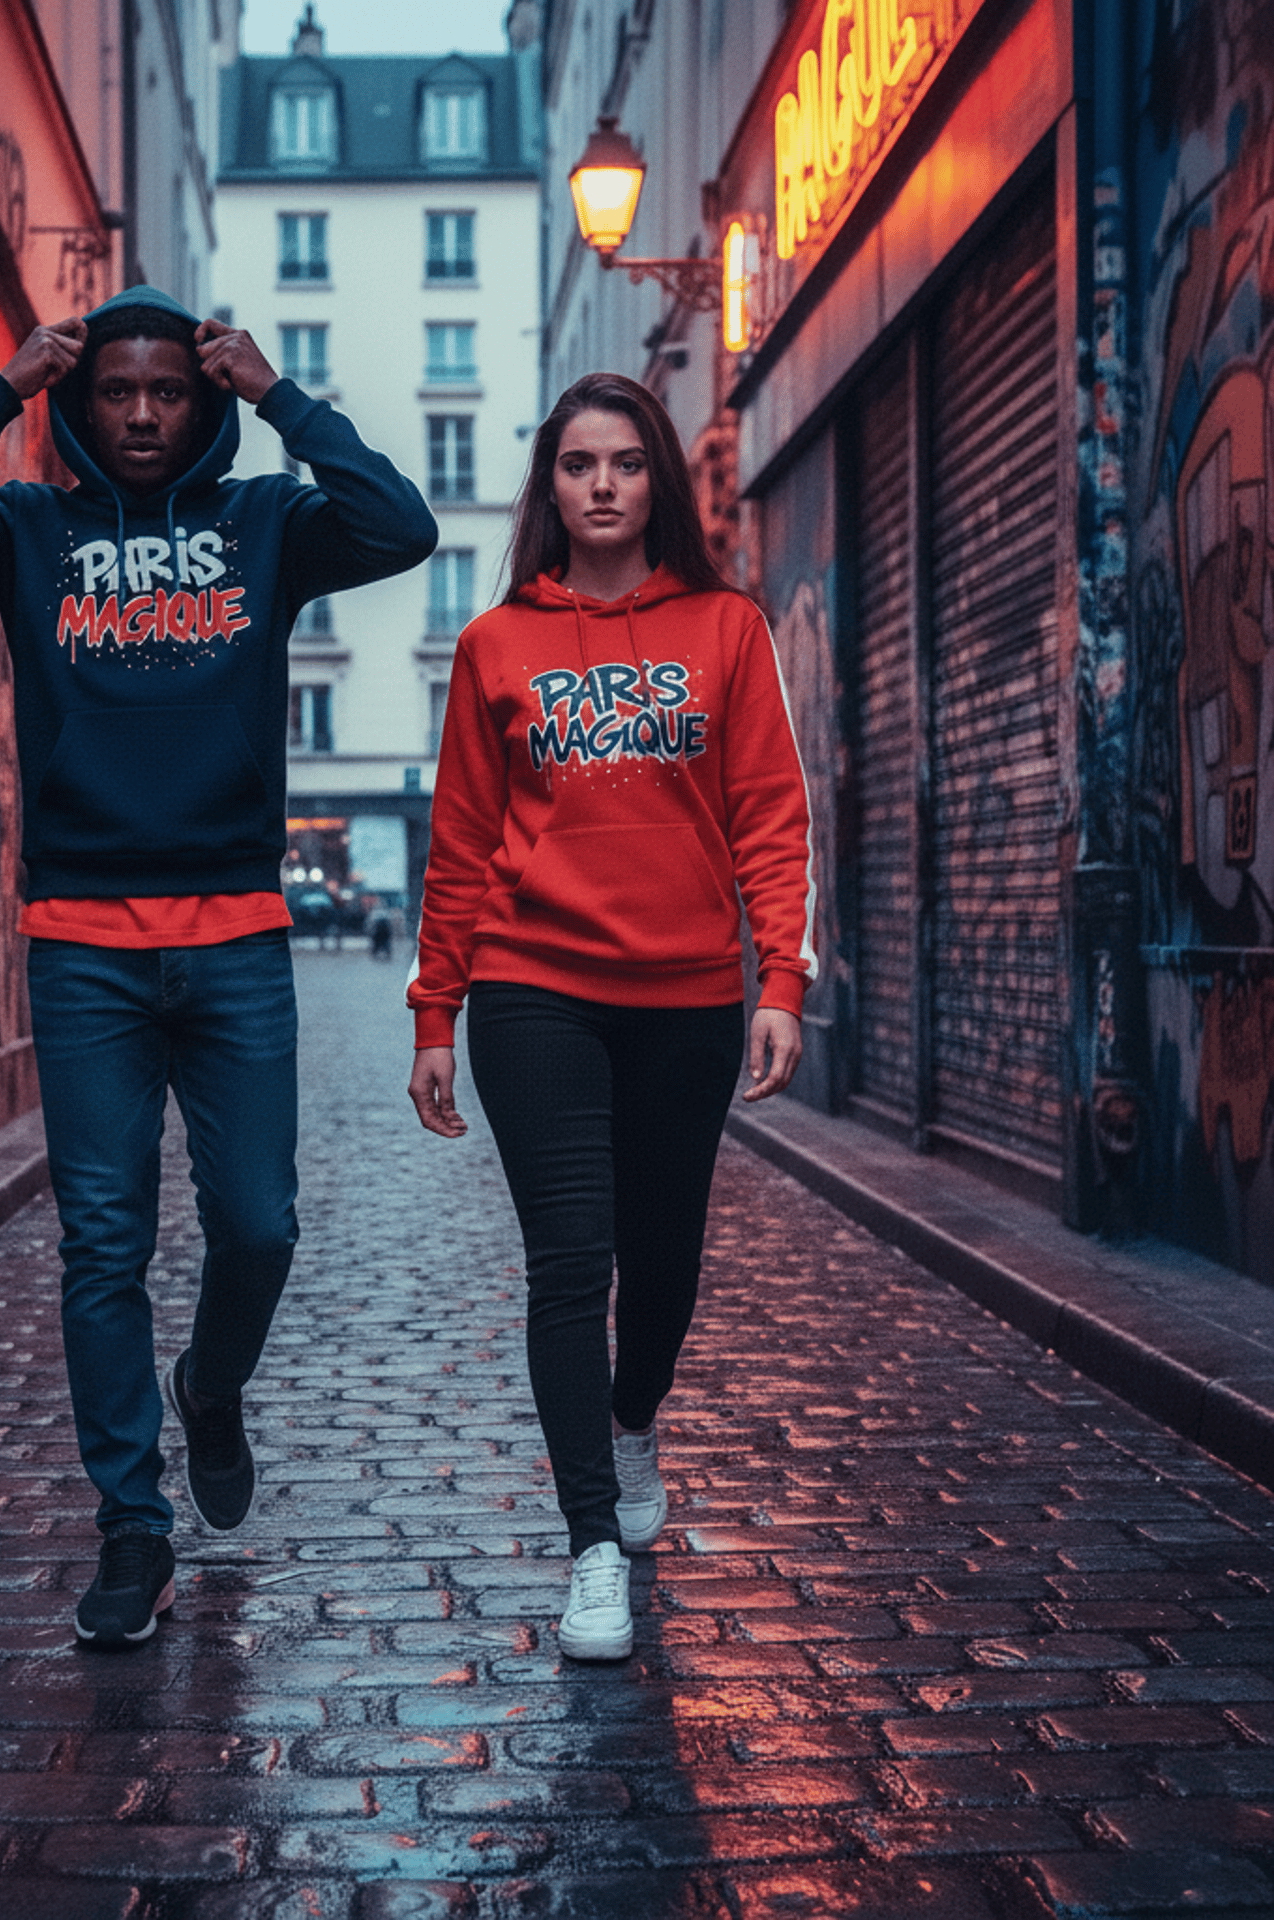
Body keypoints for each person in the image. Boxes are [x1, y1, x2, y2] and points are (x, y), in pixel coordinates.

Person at [0, 289, 435, 1647]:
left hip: (236, 941)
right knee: (102, 1245)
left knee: (260, 1227)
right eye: (118, 391)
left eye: (171, 390)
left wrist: (280, 397)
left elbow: (400, 524)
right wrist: (2, 389)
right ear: (82, 404)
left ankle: (210, 1389)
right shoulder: (24, 532)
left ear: (204, 401)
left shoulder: (268, 525)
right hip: (84, 952)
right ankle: (132, 1528)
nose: (146, 414)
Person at [405, 372, 814, 1662]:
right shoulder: (495, 645)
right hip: (532, 991)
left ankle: (635, 1422)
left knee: (667, 1262)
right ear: (550, 486)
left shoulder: (727, 629)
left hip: (686, 996)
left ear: (658, 482)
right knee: (572, 1265)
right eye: (578, 464)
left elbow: (770, 812)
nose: (602, 485)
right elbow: (460, 842)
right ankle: (590, 1542)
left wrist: (781, 980)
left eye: (626, 463)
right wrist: (435, 1011)